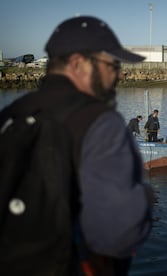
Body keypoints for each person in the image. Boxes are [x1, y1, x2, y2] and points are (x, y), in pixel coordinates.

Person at [0, 16, 154, 275]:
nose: (118, 74)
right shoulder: (100, 122)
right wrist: (145, 198)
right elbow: (118, 235)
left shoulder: (10, 114)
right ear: (78, 63)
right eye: (112, 64)